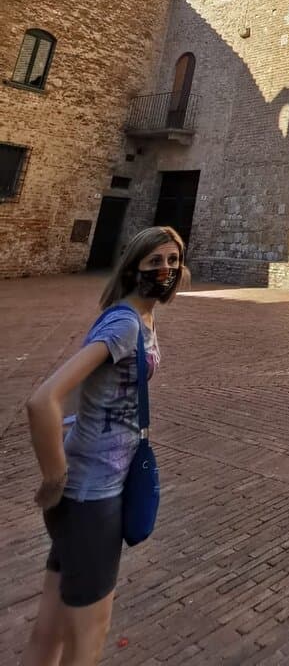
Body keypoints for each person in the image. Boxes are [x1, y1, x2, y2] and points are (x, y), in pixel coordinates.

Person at [24, 226, 187, 666]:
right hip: (93, 493)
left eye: (173, 260)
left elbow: (88, 392)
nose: (166, 270)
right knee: (89, 638)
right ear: (134, 265)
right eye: (156, 262)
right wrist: (54, 478)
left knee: (51, 628)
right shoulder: (124, 322)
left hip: (87, 491)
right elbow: (43, 401)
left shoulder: (138, 317)